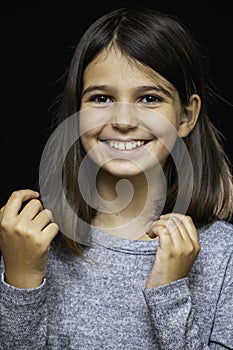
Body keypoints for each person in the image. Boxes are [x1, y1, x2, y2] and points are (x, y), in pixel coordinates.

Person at [0, 5, 233, 350]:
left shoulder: (224, 255)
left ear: (186, 116)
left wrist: (169, 293)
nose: (123, 119)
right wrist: (21, 280)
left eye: (150, 98)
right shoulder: (28, 243)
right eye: (102, 97)